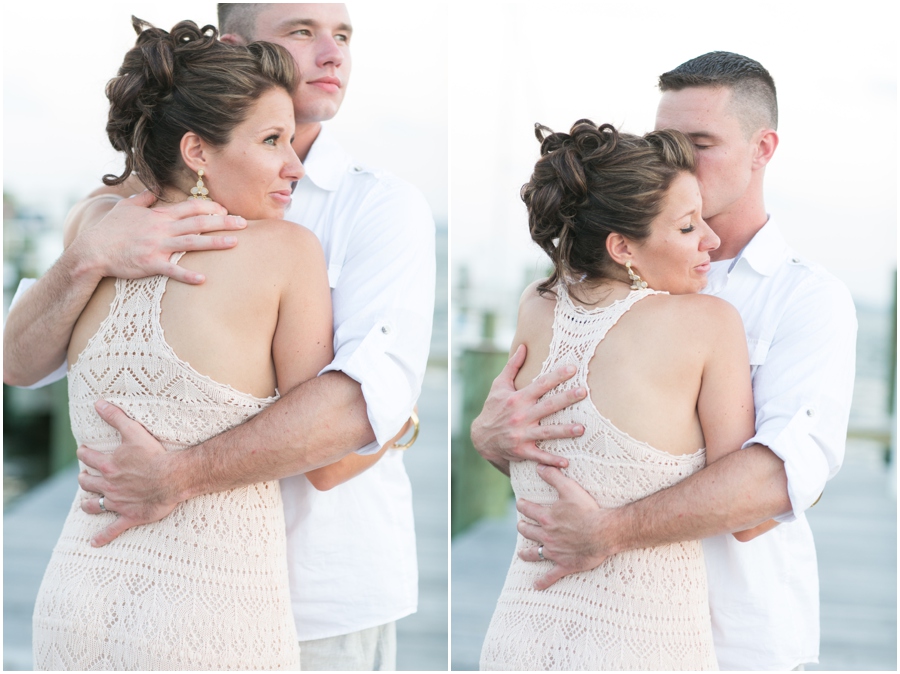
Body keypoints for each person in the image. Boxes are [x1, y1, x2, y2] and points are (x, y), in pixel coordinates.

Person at [4, 4, 435, 671]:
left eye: (343, 35)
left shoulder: (381, 206)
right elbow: (21, 362)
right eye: (301, 31)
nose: (331, 54)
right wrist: (87, 256)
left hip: (150, 588)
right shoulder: (125, 224)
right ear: (234, 47)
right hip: (222, 609)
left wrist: (175, 475)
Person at [472, 52, 857, 671]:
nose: (678, 158)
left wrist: (610, 530)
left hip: (738, 640)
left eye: (700, 143)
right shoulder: (574, 294)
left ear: (763, 148)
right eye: (665, 140)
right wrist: (489, 436)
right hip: (574, 619)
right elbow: (562, 459)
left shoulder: (809, 299)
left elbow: (774, 483)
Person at [32, 18, 336, 669]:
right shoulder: (287, 252)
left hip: (74, 597)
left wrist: (84, 256)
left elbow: (17, 362)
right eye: (272, 140)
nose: (294, 165)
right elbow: (324, 446)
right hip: (209, 614)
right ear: (198, 152)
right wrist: (406, 421)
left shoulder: (94, 224)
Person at [479, 119, 766, 670]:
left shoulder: (537, 306)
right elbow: (744, 512)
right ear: (622, 246)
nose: (711, 239)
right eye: (687, 228)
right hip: (642, 642)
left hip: (519, 633)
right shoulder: (710, 324)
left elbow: (539, 464)